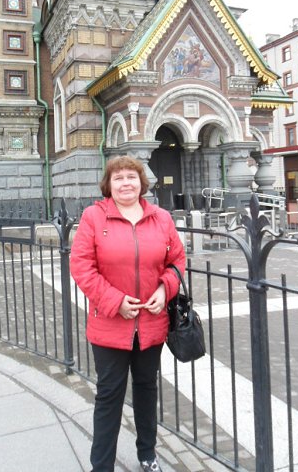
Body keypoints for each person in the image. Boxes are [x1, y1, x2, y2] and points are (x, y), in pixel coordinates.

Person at [70, 155, 185, 472]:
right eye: (118, 178)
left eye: (131, 177)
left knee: (147, 389)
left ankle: (147, 454)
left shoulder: (161, 218)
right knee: (109, 395)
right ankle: (101, 465)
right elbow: (81, 266)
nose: (125, 183)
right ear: (109, 184)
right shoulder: (94, 217)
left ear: (141, 183)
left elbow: (177, 261)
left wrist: (165, 289)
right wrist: (115, 301)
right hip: (109, 325)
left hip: (151, 323)